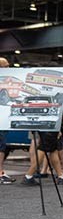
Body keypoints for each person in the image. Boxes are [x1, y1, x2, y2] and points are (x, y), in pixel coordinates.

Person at [0, 56, 13, 184]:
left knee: (2, 146)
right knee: (1, 147)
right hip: (1, 119)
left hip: (4, 118)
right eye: (6, 66)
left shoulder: (6, 81)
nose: (8, 68)